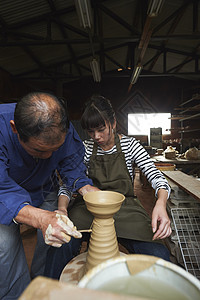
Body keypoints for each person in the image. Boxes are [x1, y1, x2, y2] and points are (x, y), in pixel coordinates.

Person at [44, 95, 172, 279]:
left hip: (125, 208)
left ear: (113, 122)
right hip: (87, 208)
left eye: (101, 129)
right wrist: (62, 209)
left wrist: (160, 202)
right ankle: (49, 293)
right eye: (90, 131)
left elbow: (156, 176)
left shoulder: (130, 145)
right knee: (59, 248)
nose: (96, 136)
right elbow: (68, 185)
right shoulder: (84, 149)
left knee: (158, 256)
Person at [0, 91, 98, 300]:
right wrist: (41, 217)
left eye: (56, 149)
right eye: (39, 150)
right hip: (5, 194)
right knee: (4, 246)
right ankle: (17, 295)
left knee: (55, 237)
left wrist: (84, 187)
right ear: (14, 129)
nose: (49, 157)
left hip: (44, 188)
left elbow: (70, 162)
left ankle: (41, 288)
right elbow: (2, 190)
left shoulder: (60, 125)